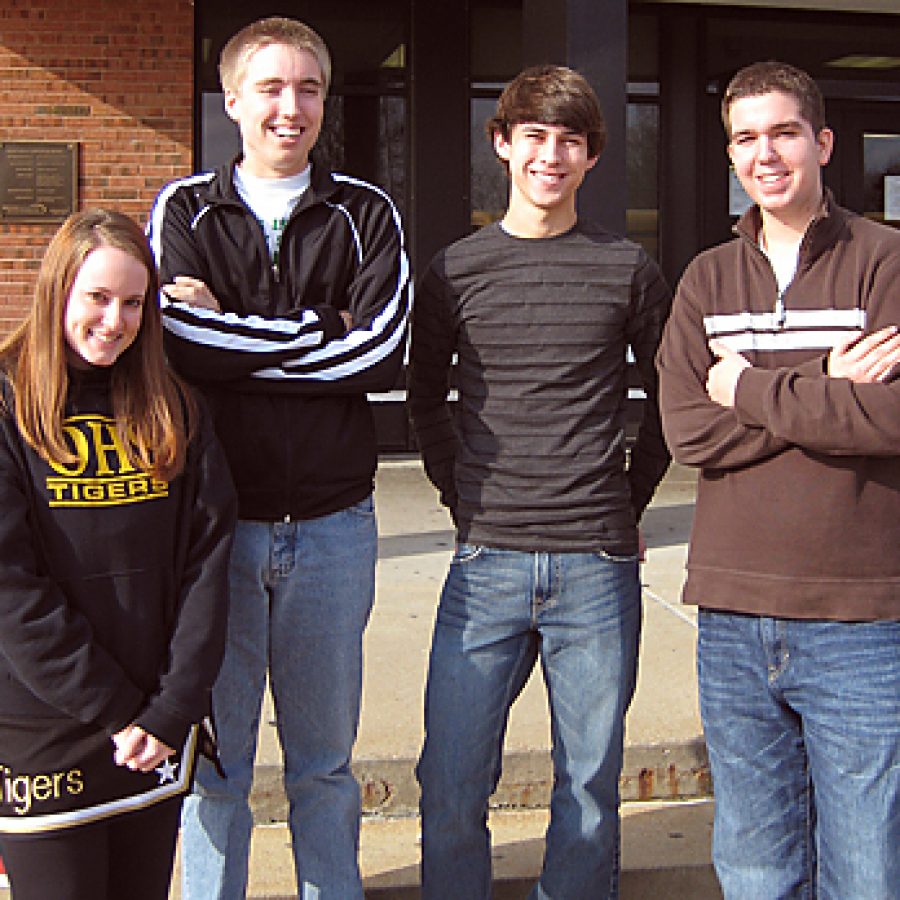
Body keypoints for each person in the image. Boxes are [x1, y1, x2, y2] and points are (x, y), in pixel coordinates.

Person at [146, 15, 410, 900]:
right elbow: (178, 339)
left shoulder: (366, 212)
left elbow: (377, 355)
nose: (289, 107)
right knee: (216, 765)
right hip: (215, 536)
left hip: (334, 530)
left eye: (307, 88)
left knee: (324, 765)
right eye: (270, 87)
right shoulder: (183, 208)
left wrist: (235, 329)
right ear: (232, 100)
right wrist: (319, 332)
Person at [408, 64, 672, 899]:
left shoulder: (627, 268)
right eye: (533, 137)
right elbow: (423, 401)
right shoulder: (456, 270)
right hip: (485, 562)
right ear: (502, 144)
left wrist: (628, 503)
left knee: (588, 787)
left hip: (596, 565)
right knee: (450, 781)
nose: (549, 156)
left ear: (592, 157)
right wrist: (462, 497)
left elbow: (669, 398)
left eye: (569, 141)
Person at [657, 60, 900, 899]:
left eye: (784, 132)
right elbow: (687, 430)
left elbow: (894, 419)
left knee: (867, 871)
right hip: (731, 617)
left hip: (861, 620)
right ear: (731, 156)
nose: (767, 154)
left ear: (823, 142)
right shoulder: (705, 281)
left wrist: (754, 389)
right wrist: (829, 383)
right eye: (746, 138)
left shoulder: (886, 263)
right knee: (757, 869)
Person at [0, 208, 236, 900]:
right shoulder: (8, 404)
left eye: (133, 303)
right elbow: (11, 590)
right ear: (58, 294)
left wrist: (170, 710)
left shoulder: (175, 408)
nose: (115, 321)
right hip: (48, 731)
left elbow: (207, 566)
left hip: (153, 735)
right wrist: (117, 709)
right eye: (97, 298)